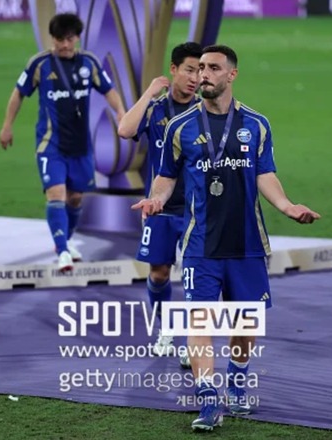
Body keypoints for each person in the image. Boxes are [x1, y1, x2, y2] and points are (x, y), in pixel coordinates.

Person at [132, 45, 320, 431]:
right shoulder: (180, 126)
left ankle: (236, 381)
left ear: (231, 75)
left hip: (247, 243)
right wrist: (156, 199)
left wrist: (286, 206)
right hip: (200, 244)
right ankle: (207, 400)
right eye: (201, 67)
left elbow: (265, 173)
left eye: (214, 68)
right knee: (199, 323)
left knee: (245, 324)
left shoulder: (257, 124)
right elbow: (166, 176)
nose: (204, 74)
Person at [0, 13, 126, 272]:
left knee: (76, 198)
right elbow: (18, 93)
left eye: (69, 39)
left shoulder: (89, 62)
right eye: (59, 39)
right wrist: (7, 126)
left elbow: (109, 90)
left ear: (77, 38)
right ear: (52, 38)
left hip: (80, 145)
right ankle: (63, 252)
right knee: (56, 193)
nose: (64, 45)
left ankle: (64, 242)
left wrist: (122, 113)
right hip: (50, 144)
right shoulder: (40, 64)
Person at [117, 42, 202, 367]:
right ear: (174, 69)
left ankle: (193, 342)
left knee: (197, 277)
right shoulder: (155, 110)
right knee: (159, 273)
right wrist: (149, 93)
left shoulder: (204, 111)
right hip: (159, 207)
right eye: (190, 70)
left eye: (200, 71)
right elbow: (125, 129)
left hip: (196, 209)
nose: (195, 78)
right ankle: (166, 329)